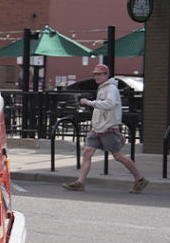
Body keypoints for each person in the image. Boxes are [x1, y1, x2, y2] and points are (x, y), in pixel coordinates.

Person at [63, 64, 149, 193]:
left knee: (119, 157)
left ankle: (140, 179)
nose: (96, 76)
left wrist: (89, 102)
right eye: (95, 74)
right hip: (97, 129)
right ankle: (80, 183)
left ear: (106, 75)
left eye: (99, 74)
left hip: (108, 130)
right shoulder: (102, 87)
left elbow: (109, 104)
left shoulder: (111, 88)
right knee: (87, 153)